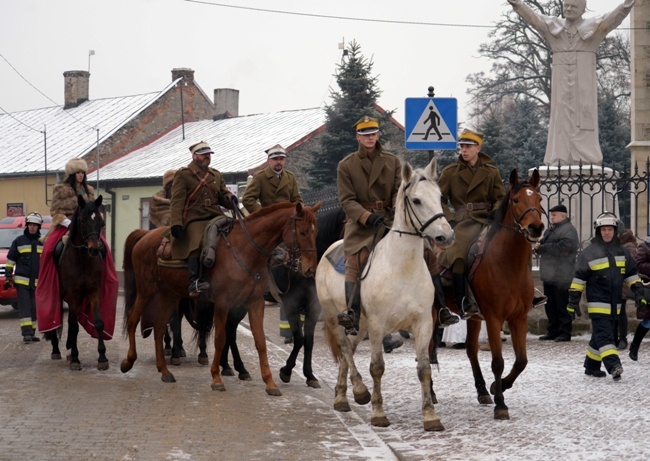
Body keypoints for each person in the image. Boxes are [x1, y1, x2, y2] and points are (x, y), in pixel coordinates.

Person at [507, 0, 636, 166]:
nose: (568, 9)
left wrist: (628, 3)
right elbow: (533, 18)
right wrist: (517, 4)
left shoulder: (593, 28)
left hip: (584, 85)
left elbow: (613, 18)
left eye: (573, 6)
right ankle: (559, 158)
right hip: (560, 86)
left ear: (583, 9)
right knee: (560, 122)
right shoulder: (553, 27)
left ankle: (586, 159)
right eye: (566, 5)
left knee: (585, 120)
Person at [36, 157, 119, 339]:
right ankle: (49, 280)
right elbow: (55, 212)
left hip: (86, 230)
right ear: (72, 174)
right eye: (78, 173)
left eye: (83, 173)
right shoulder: (61, 190)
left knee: (104, 248)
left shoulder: (89, 190)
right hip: (65, 227)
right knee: (51, 249)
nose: (81, 175)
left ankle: (106, 277)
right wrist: (69, 223)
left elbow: (92, 212)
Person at [336, 115, 401, 337]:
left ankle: (436, 306)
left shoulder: (393, 161)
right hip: (362, 224)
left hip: (389, 219)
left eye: (373, 134)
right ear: (358, 137)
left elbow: (398, 191)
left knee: (423, 252)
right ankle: (351, 314)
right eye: (365, 135)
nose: (370, 138)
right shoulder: (346, 165)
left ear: (378, 135)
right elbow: (346, 200)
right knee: (355, 259)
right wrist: (365, 216)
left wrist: (393, 210)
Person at [435, 128, 506, 325]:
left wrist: (495, 211)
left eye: (468, 146)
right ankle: (463, 300)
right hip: (463, 221)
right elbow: (438, 198)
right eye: (462, 146)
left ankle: (526, 292)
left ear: (478, 148)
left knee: (511, 245)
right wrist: (449, 218)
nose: (464, 150)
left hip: (488, 220)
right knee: (459, 252)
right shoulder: (450, 172)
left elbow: (500, 197)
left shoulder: (491, 172)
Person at [568, 212, 642, 380]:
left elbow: (631, 275)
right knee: (606, 335)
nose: (606, 232)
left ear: (615, 231)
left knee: (599, 336)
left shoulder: (623, 252)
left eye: (610, 229)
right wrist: (573, 301)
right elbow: (578, 278)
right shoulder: (588, 253)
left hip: (616, 304)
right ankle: (614, 365)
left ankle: (591, 366)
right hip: (597, 303)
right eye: (603, 229)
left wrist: (639, 293)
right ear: (598, 231)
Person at [242, 144, 303, 344]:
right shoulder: (260, 178)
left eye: (281, 159)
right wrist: (264, 216)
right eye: (275, 159)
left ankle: (294, 328)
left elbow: (297, 201)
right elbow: (248, 199)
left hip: (285, 229)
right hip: (265, 229)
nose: (278, 162)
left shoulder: (290, 178)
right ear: (269, 160)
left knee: (293, 270)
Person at [170, 140, 237, 296]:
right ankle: (195, 281)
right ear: (194, 156)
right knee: (198, 240)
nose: (207, 157)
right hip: (195, 218)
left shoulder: (215, 174)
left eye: (208, 154)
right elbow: (177, 201)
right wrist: (176, 223)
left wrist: (230, 199)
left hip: (215, 215)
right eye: (203, 154)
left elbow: (222, 194)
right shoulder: (183, 175)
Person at [534, 204, 579, 342]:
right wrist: (538, 247)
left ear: (563, 216)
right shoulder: (551, 230)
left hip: (562, 275)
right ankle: (552, 331)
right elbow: (542, 243)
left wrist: (542, 248)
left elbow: (563, 248)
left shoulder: (569, 230)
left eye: (554, 215)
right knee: (550, 305)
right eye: (551, 215)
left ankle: (565, 332)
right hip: (549, 274)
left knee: (562, 305)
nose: (551, 217)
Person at [5, 212, 43, 342]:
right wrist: (8, 276)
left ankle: (32, 332)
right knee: (25, 306)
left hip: (37, 282)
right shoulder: (19, 241)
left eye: (35, 225)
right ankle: (26, 333)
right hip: (22, 282)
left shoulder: (42, 242)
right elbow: (11, 260)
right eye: (31, 225)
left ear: (39, 227)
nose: (32, 227)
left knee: (34, 307)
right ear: (27, 226)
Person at [630, 235, 650, 361]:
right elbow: (639, 265)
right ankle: (635, 345)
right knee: (648, 322)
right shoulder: (644, 247)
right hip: (648, 289)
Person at [617, 228, 638, 350]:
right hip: (612, 283)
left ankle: (622, 338)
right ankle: (613, 338)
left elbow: (631, 264)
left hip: (622, 283)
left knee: (620, 312)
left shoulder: (629, 246)